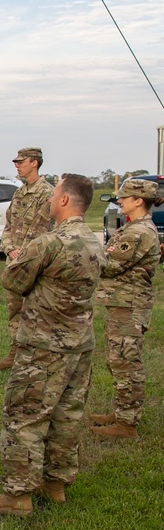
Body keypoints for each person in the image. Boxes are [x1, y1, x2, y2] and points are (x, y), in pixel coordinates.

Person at [0, 174, 105, 516]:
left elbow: (12, 280)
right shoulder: (94, 241)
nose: (49, 199)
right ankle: (56, 482)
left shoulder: (49, 243)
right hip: (80, 342)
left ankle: (18, 495)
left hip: (44, 344)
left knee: (25, 416)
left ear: (63, 200)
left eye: (54, 193)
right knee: (66, 413)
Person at [90, 179, 162, 439]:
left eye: (124, 197)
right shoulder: (136, 228)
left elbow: (110, 265)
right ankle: (122, 413)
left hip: (129, 306)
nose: (119, 201)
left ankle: (127, 424)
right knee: (118, 361)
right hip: (122, 304)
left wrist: (94, 255)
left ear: (138, 201)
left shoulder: (138, 232)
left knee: (126, 365)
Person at [0, 147, 55, 370]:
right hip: (15, 263)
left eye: (21, 161)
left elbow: (43, 231)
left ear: (34, 163)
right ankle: (15, 355)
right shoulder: (19, 192)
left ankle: (38, 358)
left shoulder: (47, 193)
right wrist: (8, 248)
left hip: (34, 265)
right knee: (15, 311)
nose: (17, 164)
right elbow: (8, 226)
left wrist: (24, 254)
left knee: (37, 311)